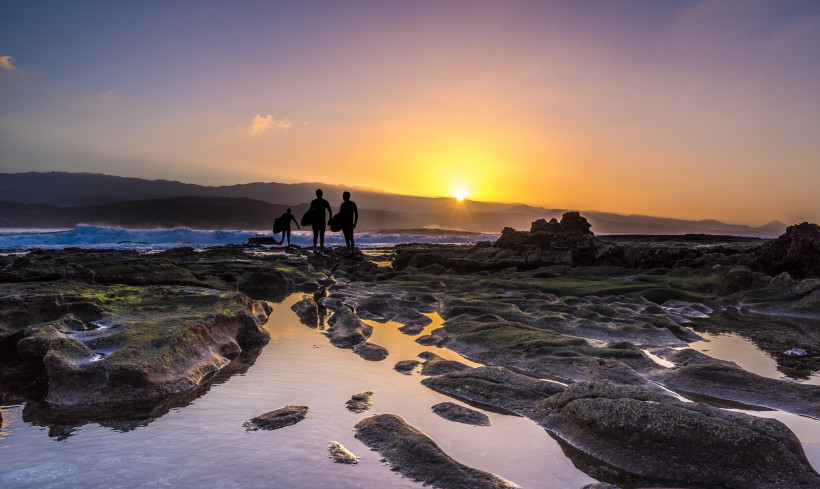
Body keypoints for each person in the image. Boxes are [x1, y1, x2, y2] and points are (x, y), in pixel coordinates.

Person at [309, 188, 332, 254]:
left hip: (315, 221)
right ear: (322, 194)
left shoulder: (313, 202)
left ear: (316, 194)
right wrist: (330, 219)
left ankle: (315, 249)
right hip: (322, 221)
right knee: (321, 236)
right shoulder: (325, 202)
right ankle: (321, 249)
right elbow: (330, 211)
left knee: (315, 235)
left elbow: (310, 212)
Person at [338, 191, 358, 256]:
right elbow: (340, 216)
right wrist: (354, 223)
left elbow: (340, 216)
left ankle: (351, 251)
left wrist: (355, 223)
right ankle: (351, 252)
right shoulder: (351, 204)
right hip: (347, 224)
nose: (343, 197)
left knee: (349, 238)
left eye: (344, 196)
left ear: (348, 197)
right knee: (349, 238)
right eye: (343, 196)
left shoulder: (344, 205)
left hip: (347, 224)